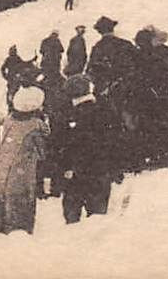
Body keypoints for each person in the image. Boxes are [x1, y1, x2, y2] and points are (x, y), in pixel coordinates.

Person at [0, 86, 48, 247]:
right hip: (20, 176)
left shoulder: (9, 120)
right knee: (16, 217)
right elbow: (43, 153)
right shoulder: (37, 126)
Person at [53, 75, 115, 223]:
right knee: (97, 218)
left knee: (72, 216)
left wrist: (62, 168)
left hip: (74, 173)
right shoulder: (104, 109)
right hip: (100, 171)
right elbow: (114, 140)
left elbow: (59, 144)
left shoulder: (66, 114)